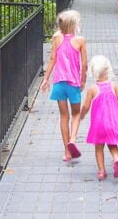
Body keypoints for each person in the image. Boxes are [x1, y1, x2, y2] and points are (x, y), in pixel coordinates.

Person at [40, 10, 88, 161]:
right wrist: (83, 80)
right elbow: (84, 64)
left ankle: (67, 152)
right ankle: (73, 139)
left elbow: (52, 59)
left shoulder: (56, 38)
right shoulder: (80, 40)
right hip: (73, 83)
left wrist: (46, 79)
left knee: (63, 116)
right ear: (74, 25)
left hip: (59, 83)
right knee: (76, 114)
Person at [80, 55, 118, 180]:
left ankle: (101, 171)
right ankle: (116, 158)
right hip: (113, 123)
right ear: (107, 70)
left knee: (99, 147)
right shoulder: (113, 85)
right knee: (113, 145)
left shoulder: (92, 89)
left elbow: (86, 106)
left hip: (98, 124)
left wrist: (81, 115)